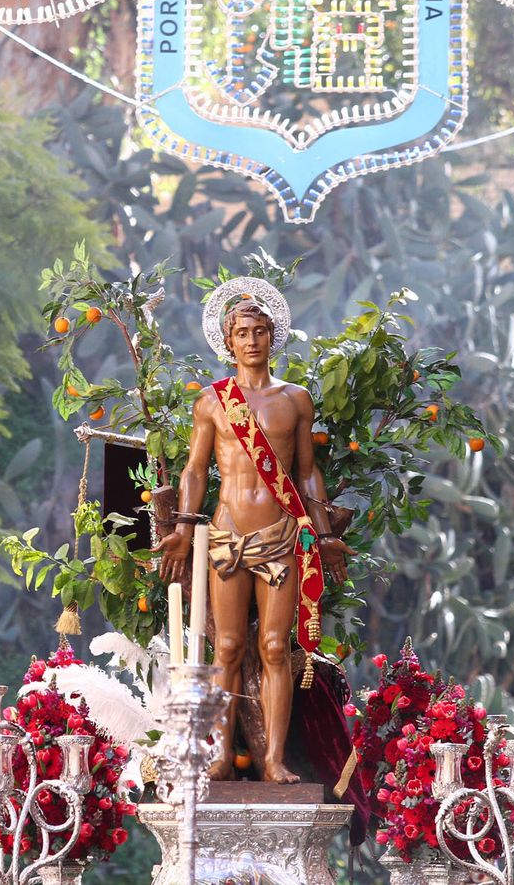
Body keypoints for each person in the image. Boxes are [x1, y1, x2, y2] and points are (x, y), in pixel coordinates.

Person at [157, 280, 353, 783]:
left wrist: (324, 535)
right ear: (228, 340)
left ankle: (274, 760)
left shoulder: (296, 399)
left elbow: (307, 472)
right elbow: (195, 470)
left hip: (280, 535)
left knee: (274, 647)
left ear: (273, 336)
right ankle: (219, 757)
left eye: (259, 331)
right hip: (226, 536)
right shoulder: (212, 402)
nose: (251, 340)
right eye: (242, 332)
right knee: (226, 647)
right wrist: (184, 528)